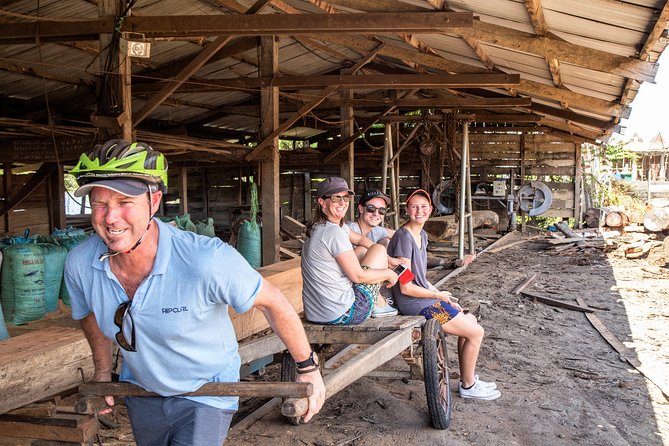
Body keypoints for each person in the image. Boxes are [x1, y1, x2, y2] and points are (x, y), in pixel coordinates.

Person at [64, 139, 325, 445]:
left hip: (207, 391)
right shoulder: (81, 263)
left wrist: (309, 369)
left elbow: (274, 303)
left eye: (125, 202)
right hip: (142, 389)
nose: (110, 218)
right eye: (100, 204)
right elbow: (91, 315)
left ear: (154, 201)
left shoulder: (205, 260)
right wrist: (103, 370)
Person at [387, 189, 501, 400]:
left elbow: (418, 277)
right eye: (414, 206)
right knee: (476, 332)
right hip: (417, 305)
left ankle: (469, 379)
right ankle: (468, 386)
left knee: (471, 320)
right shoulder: (404, 237)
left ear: (430, 210)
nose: (419, 211)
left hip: (425, 299)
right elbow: (406, 287)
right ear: (407, 210)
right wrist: (438, 297)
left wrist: (438, 292)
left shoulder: (421, 234)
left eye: (423, 207)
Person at [301, 177, 399, 325]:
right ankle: (379, 304)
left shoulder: (320, 226)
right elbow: (358, 277)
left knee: (366, 250)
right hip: (345, 313)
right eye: (336, 198)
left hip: (317, 312)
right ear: (322, 202)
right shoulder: (333, 232)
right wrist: (388, 273)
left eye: (346, 198)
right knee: (378, 249)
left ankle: (379, 301)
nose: (342, 203)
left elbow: (359, 240)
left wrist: (388, 259)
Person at [346, 190, 398, 317]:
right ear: (360, 208)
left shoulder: (376, 231)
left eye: (381, 210)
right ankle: (376, 301)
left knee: (385, 242)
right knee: (365, 250)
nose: (376, 214)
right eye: (371, 208)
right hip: (348, 282)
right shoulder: (350, 228)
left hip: (363, 277)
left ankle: (381, 294)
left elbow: (400, 234)